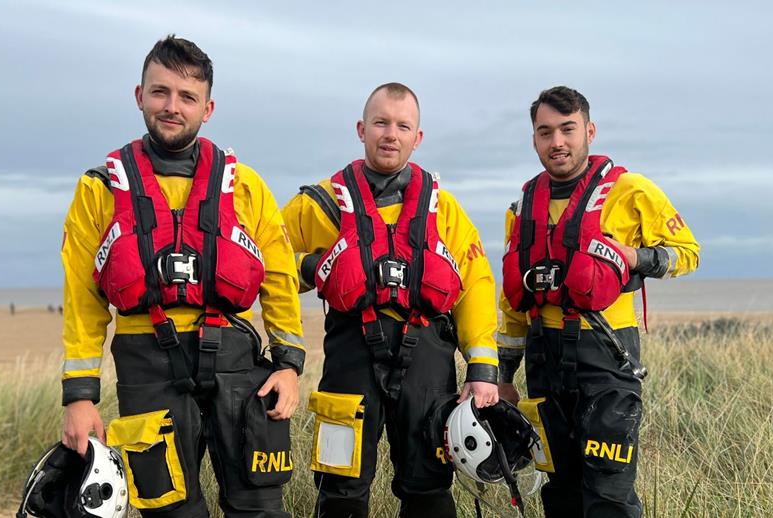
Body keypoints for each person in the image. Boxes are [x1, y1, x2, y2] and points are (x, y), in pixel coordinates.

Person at [59, 35, 304, 518]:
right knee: (169, 511)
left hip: (236, 363)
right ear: (139, 96)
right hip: (145, 366)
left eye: (187, 96)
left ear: (207, 108)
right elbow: (82, 299)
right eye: (160, 92)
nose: (173, 107)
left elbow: (278, 277)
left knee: (260, 507)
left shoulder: (246, 186)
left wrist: (289, 364)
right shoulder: (98, 189)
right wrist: (80, 397)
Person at [282, 82, 500, 518]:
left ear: (417, 138)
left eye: (403, 126)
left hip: (428, 362)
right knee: (340, 490)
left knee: (429, 488)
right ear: (361, 128)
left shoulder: (444, 210)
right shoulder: (319, 204)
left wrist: (482, 368)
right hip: (350, 358)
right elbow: (267, 261)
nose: (390, 134)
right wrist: (313, 267)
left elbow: (475, 282)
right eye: (381, 123)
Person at [498, 86, 700, 517]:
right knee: (560, 491)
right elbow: (512, 304)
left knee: (608, 492)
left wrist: (637, 257)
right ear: (533, 139)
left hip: (607, 358)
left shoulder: (631, 190)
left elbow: (687, 253)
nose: (558, 143)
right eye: (545, 132)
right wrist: (502, 376)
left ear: (589, 130)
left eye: (568, 129)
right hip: (543, 363)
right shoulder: (521, 207)